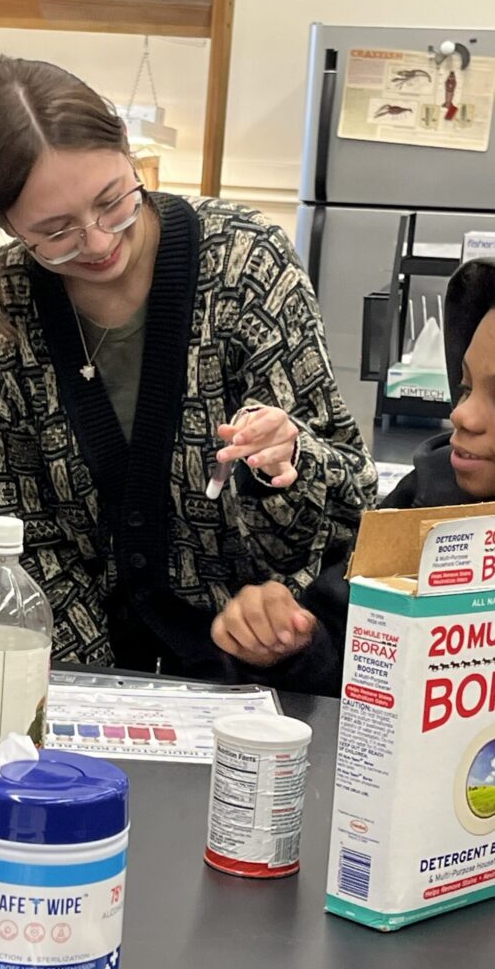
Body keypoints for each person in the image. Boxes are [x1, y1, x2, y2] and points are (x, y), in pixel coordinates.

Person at [0, 56, 376, 682]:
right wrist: (95, 692)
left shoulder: (245, 265)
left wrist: (289, 462)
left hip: (259, 674)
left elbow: (352, 507)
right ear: (6, 222)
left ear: (129, 153)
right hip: (78, 680)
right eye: (55, 231)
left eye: (110, 200)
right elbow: (13, 534)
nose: (96, 243)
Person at [212, 257, 495, 695]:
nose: (462, 414)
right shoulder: (430, 495)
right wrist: (286, 647)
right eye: (465, 387)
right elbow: (345, 651)